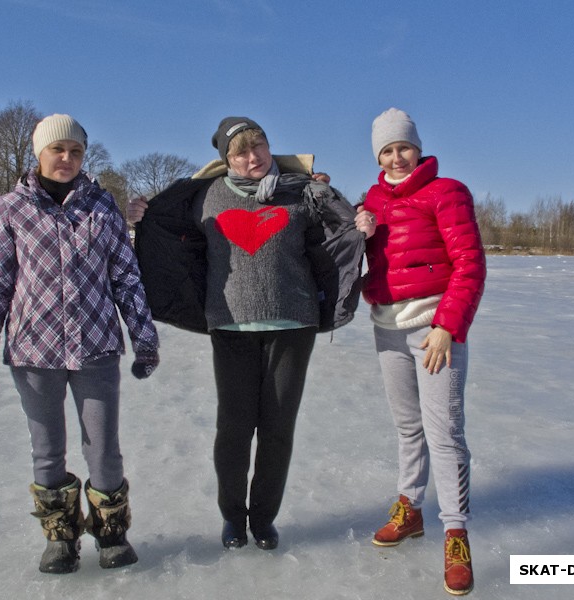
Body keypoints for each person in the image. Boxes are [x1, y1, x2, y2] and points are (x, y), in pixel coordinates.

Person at [127, 116, 364, 551]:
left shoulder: (302, 192)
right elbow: (167, 230)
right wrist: (144, 217)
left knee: (278, 428)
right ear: (226, 160)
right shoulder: (205, 196)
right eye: (241, 152)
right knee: (233, 428)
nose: (252, 157)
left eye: (259, 147)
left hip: (294, 323)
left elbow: (337, 231)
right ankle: (233, 518)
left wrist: (357, 218)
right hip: (231, 324)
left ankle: (264, 519)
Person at [0, 114, 160, 574]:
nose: (67, 159)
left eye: (75, 151)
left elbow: (126, 278)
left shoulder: (102, 207)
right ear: (40, 153)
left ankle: (111, 532)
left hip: (95, 348)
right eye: (58, 150)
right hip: (34, 350)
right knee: (47, 449)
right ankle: (60, 537)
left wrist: (144, 339)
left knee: (103, 448)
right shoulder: (9, 208)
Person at [354, 108, 486, 596]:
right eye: (386, 151)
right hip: (387, 327)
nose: (395, 157)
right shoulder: (371, 200)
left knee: (445, 432)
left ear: (418, 147)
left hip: (433, 330)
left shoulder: (447, 191)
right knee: (408, 427)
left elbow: (469, 262)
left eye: (402, 147)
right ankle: (410, 509)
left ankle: (456, 534)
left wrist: (448, 326)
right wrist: (358, 229)